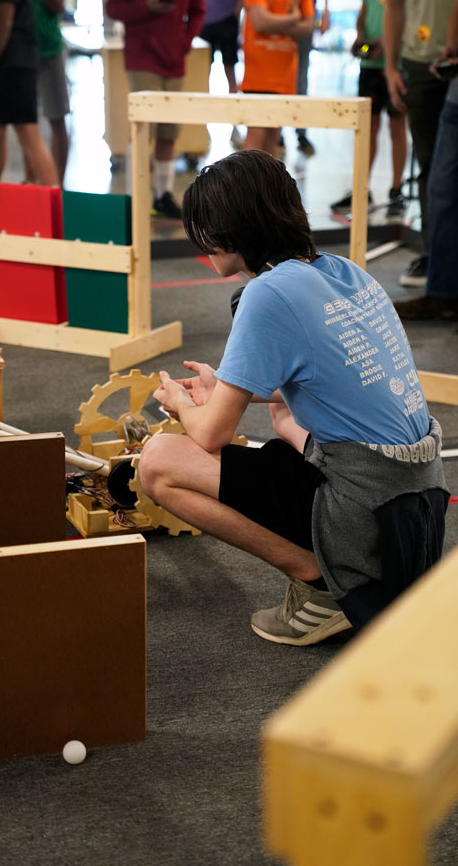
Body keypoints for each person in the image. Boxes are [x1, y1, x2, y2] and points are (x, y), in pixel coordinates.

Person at [137, 150, 448, 645]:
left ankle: (323, 585)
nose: (201, 241)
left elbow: (212, 434)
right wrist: (229, 386)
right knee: (284, 425)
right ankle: (346, 573)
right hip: (417, 509)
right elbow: (331, 378)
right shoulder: (344, 272)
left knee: (156, 462)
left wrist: (182, 403)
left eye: (205, 228)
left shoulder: (266, 293)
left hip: (364, 511)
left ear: (231, 229)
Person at [106, 0, 206, 220]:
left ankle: (163, 196)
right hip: (142, 56)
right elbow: (114, 7)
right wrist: (145, 7)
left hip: (174, 58)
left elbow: (198, 9)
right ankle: (134, 196)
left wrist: (186, 41)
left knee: (168, 131)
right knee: (142, 128)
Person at [382, 0, 457, 287]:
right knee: (432, 168)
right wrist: (390, 67)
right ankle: (436, 261)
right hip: (420, 62)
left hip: (452, 54)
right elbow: (394, 3)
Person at [331, 0, 407, 219]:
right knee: (367, 127)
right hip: (370, 66)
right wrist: (360, 37)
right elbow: (364, 7)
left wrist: (387, 44)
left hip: (397, 62)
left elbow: (406, 10)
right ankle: (361, 188)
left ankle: (397, 189)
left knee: (397, 125)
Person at [0, 0, 57, 185]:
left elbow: (4, 17)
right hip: (8, 59)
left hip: (14, 60)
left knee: (27, 133)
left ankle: (56, 206)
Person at [241, 0, 314, 157]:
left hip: (284, 75)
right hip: (258, 74)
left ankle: (265, 187)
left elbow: (307, 28)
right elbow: (260, 22)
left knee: (271, 141)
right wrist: (293, 18)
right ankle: (245, 187)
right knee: (255, 138)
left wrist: (276, 23)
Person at [27, 0, 71, 186]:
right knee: (25, 122)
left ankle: (57, 188)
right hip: (19, 49)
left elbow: (57, 6)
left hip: (48, 49)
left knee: (57, 118)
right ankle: (30, 181)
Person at [198, 0, 252, 115]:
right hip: (204, 18)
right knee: (202, 73)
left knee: (230, 70)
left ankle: (234, 120)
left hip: (227, 17)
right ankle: (203, 122)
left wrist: (238, 10)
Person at [291, 0, 329, 156]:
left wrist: (325, 11)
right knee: (282, 77)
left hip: (306, 12)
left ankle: (301, 131)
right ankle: (279, 131)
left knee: (302, 77)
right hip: (285, 12)